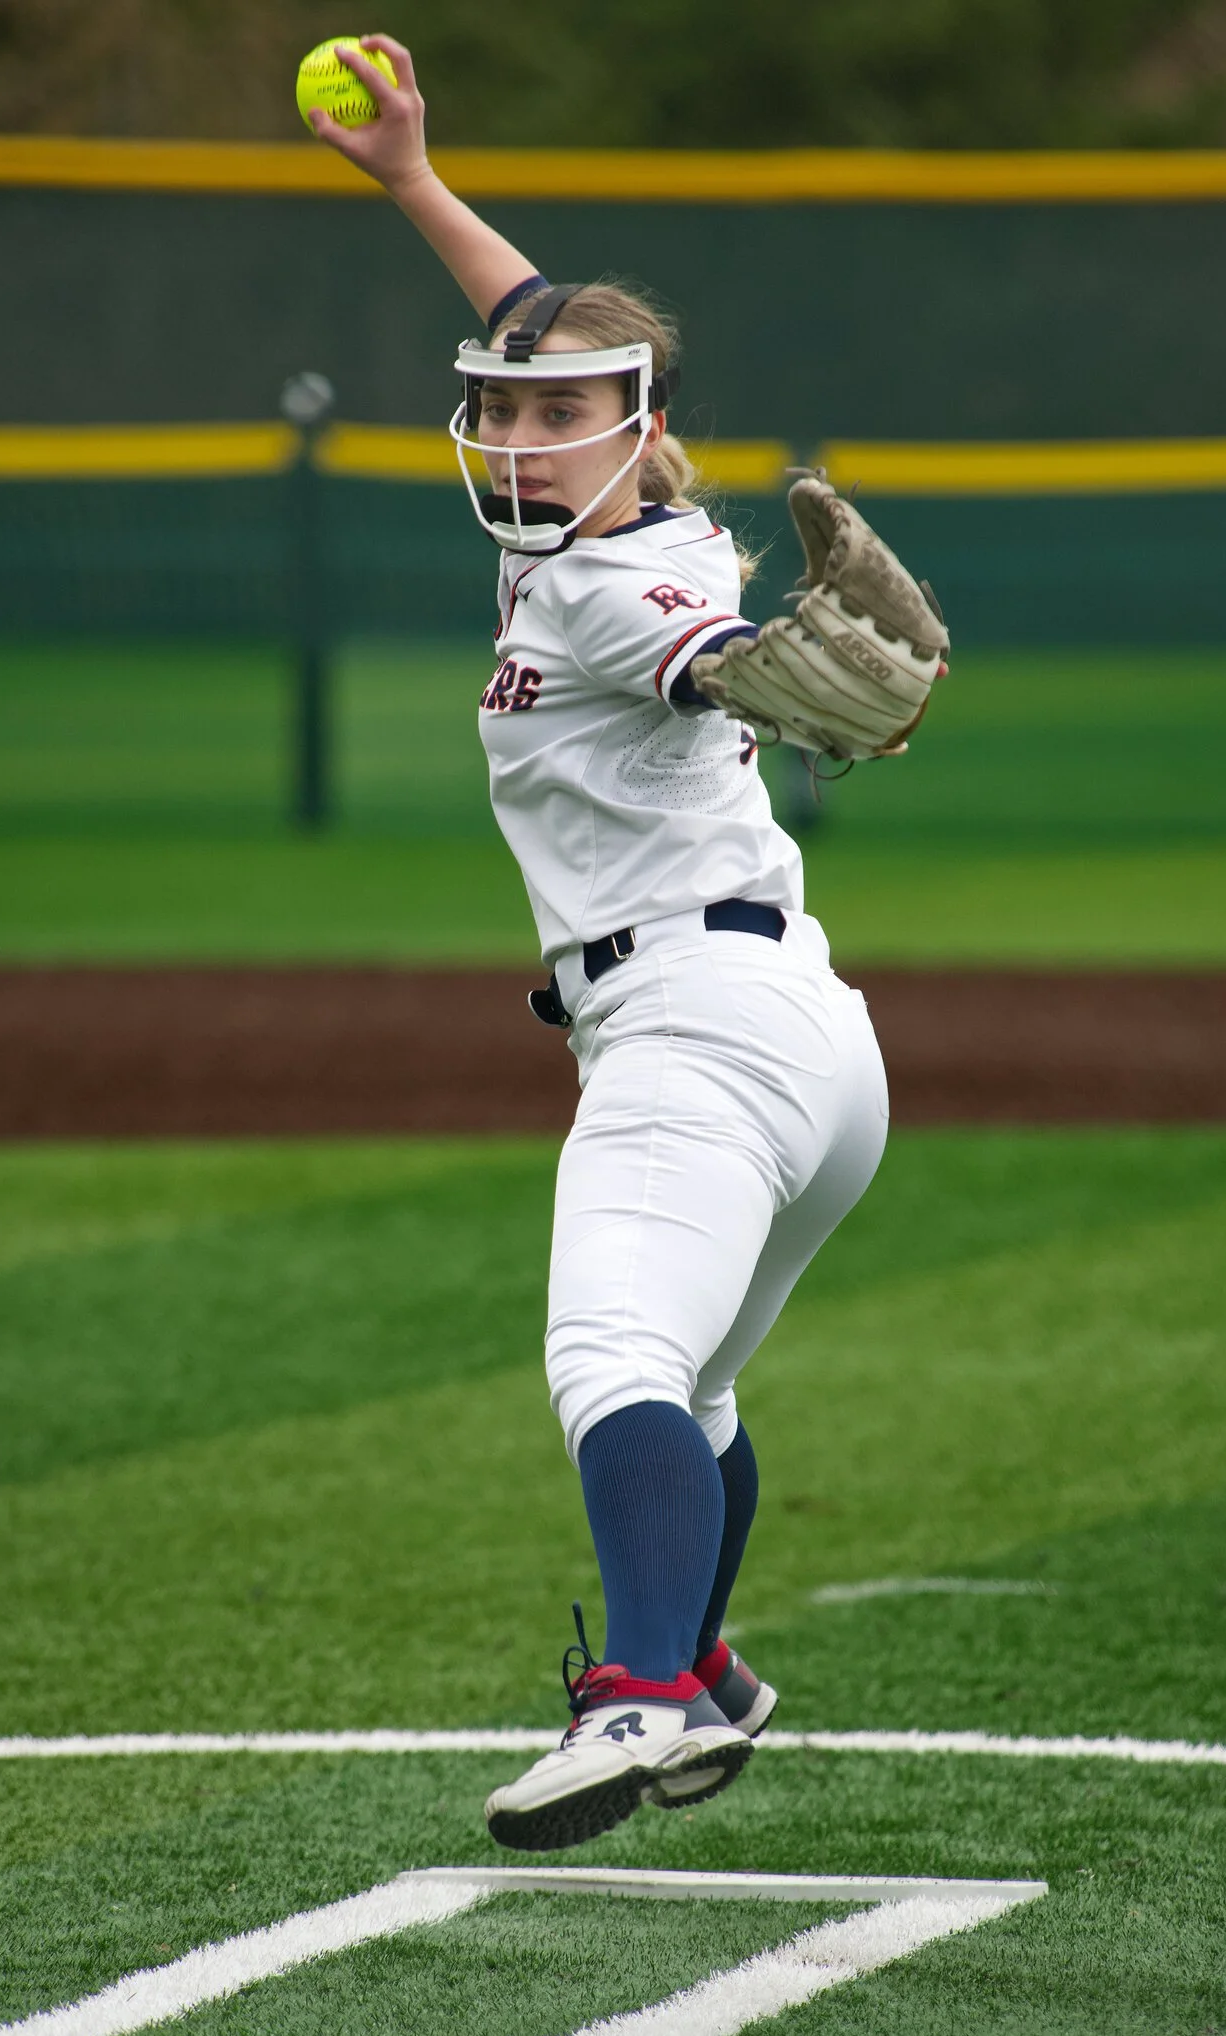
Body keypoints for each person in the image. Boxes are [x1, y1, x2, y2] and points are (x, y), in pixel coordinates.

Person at [311, 37, 896, 1853]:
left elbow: (689, 648)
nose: (511, 429)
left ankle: (642, 1697)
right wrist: (413, 178)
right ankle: (705, 1672)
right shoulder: (588, 509)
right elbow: (535, 326)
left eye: (554, 414)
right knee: (699, 1386)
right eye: (498, 406)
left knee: (612, 1364)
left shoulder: (621, 573)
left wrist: (753, 672)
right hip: (809, 1038)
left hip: (694, 1030)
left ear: (638, 427)